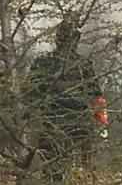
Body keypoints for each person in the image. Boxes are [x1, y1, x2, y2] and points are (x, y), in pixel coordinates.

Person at [27, 15, 105, 174]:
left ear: (57, 39)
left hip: (52, 126)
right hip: (80, 128)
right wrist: (102, 126)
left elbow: (29, 96)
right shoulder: (83, 65)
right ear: (76, 40)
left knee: (53, 174)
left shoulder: (42, 63)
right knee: (86, 173)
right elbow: (96, 98)